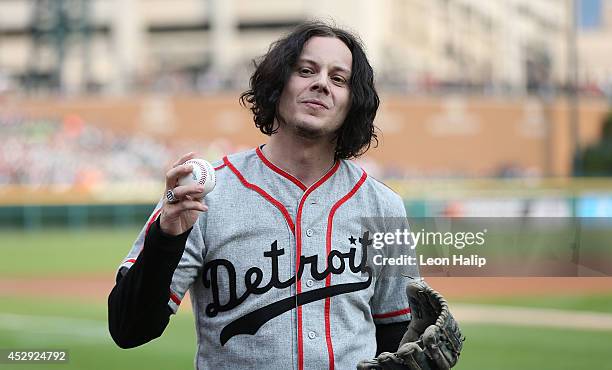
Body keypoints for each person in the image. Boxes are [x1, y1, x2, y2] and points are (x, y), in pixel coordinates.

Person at [108, 21, 422, 369]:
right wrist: (165, 238)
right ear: (278, 84)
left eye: (339, 78)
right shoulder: (203, 196)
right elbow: (128, 329)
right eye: (306, 70)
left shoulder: (382, 205)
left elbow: (397, 330)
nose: (321, 83)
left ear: (353, 102)